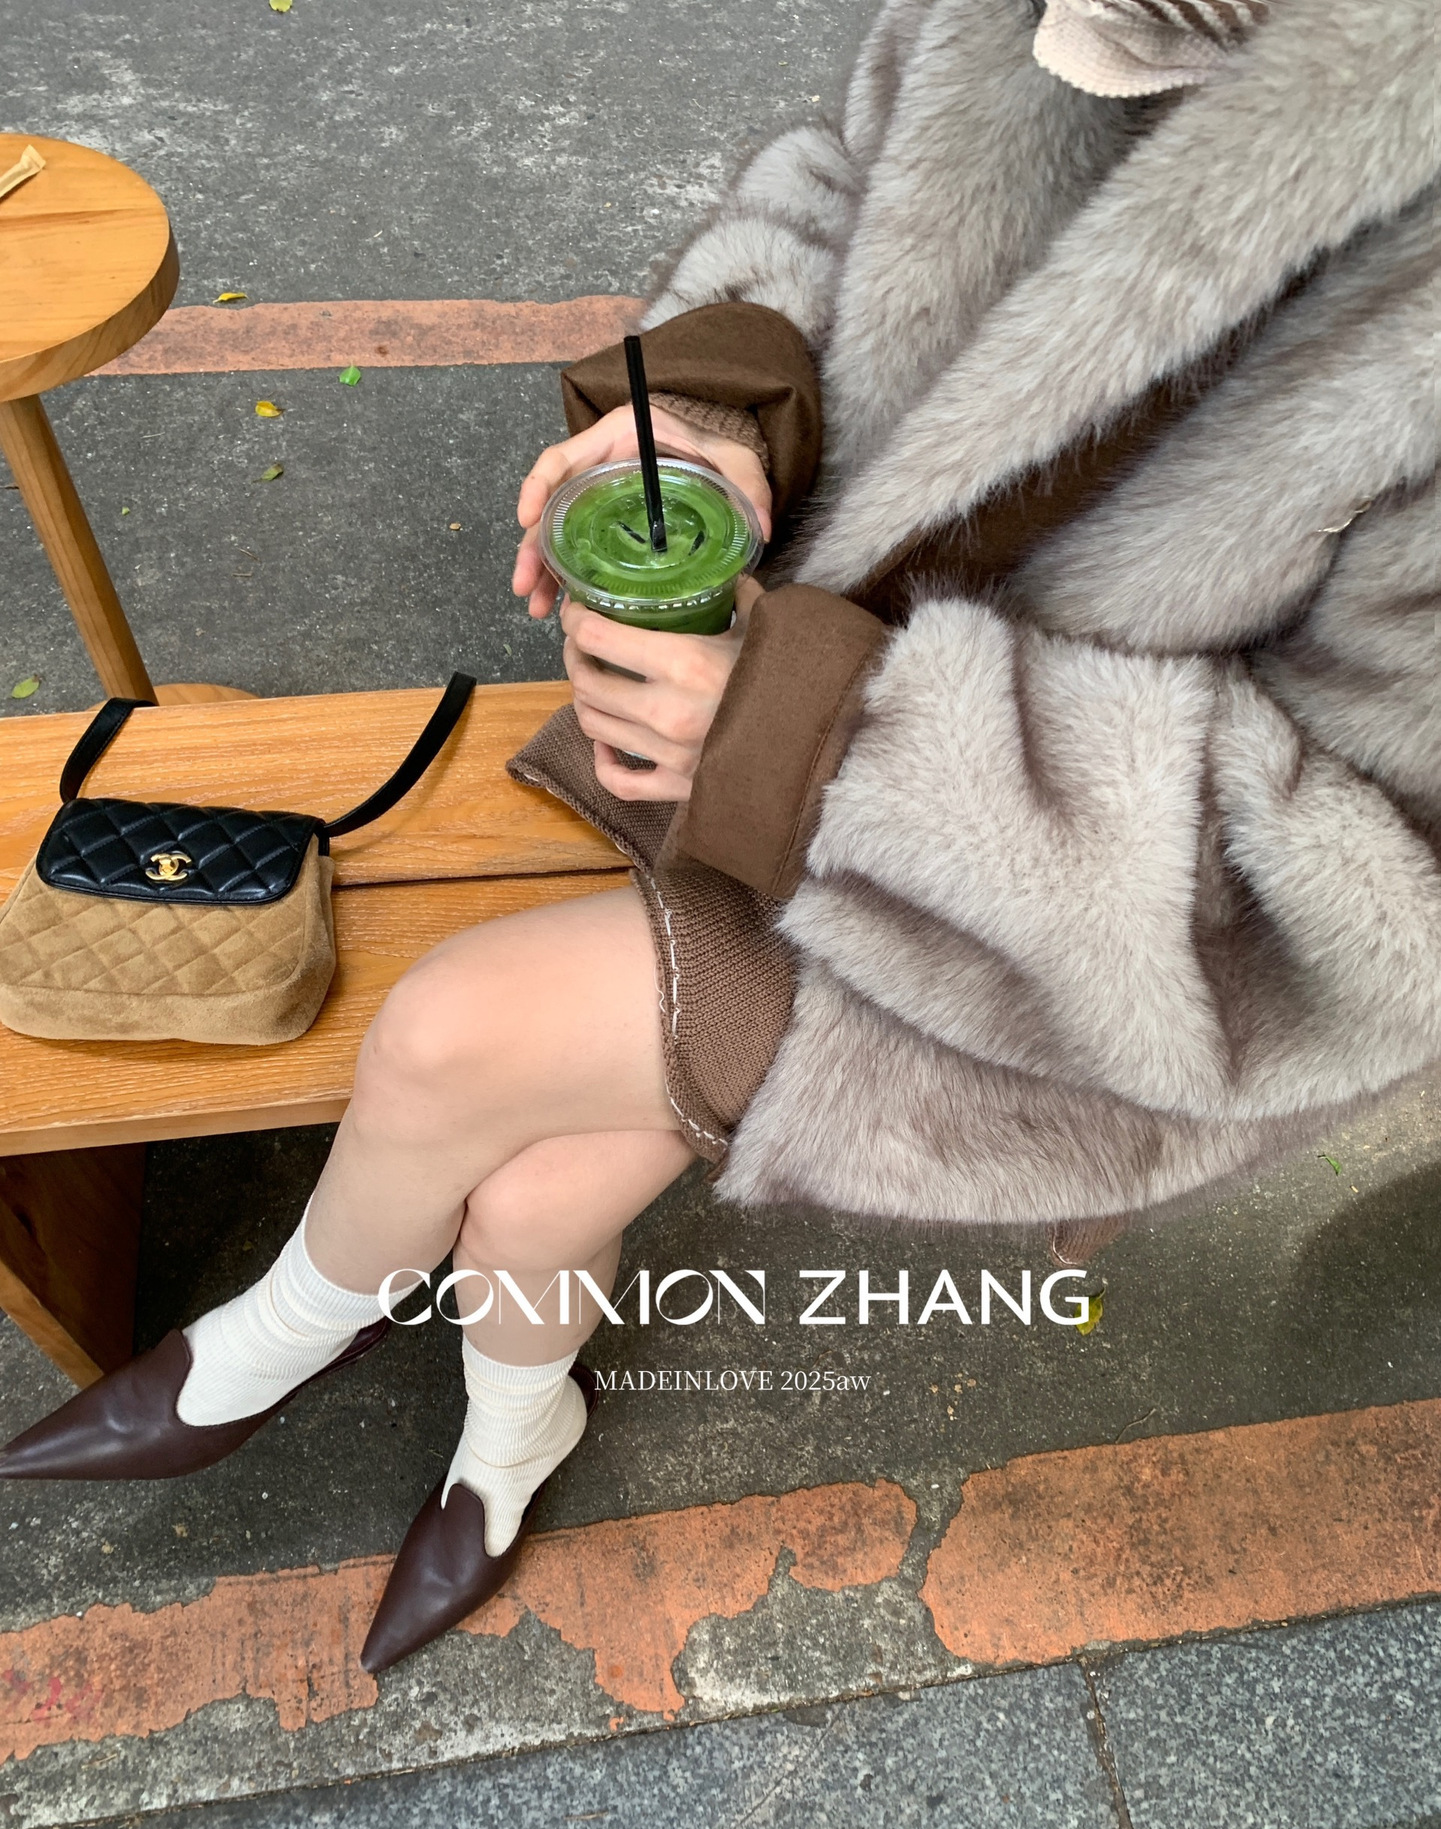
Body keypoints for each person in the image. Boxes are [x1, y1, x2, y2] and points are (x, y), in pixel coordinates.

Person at [3, 0, 1435, 1676]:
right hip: (770, 699)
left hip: (1086, 954)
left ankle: (265, 1345)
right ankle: (510, 1445)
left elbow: (1375, 906)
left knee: (452, 1033)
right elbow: (834, 194)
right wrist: (711, 410)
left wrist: (826, 739)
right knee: (529, 1205)